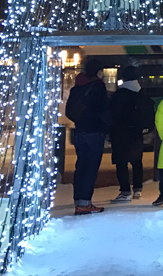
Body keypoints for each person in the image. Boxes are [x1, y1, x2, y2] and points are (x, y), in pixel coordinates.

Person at [65, 58, 109, 215]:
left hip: (79, 132)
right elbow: (102, 110)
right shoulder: (98, 86)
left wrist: (80, 121)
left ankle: (78, 201)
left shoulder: (77, 88)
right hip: (94, 132)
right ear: (98, 72)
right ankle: (85, 203)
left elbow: (69, 111)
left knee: (81, 167)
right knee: (91, 168)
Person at [109, 64, 154, 203]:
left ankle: (125, 191)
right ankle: (138, 190)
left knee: (121, 163)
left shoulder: (120, 94)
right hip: (136, 134)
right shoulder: (141, 92)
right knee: (136, 161)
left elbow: (112, 114)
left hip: (120, 133)